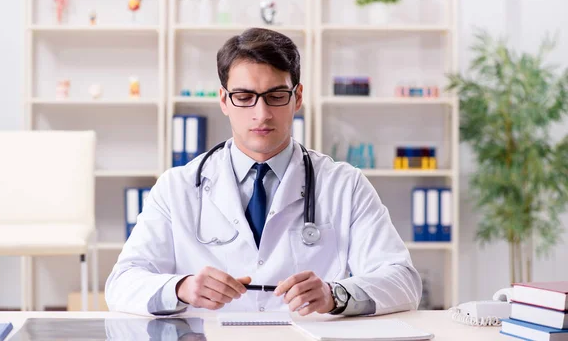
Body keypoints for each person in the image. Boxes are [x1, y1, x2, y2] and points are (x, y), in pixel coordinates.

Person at [105, 27, 422, 317]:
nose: (262, 114)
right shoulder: (178, 187)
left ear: (297, 98)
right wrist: (181, 288)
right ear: (224, 100)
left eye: (276, 96)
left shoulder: (344, 185)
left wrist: (335, 294)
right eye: (244, 97)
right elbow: (122, 283)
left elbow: (403, 281)